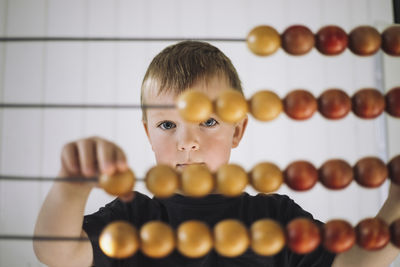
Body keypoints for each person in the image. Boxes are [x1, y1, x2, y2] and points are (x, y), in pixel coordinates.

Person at [33, 41, 400, 267]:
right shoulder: (132, 217)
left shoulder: (273, 217)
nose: (187, 141)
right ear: (147, 133)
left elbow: (355, 262)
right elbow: (56, 254)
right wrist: (71, 187)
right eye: (166, 125)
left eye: (208, 121)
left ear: (237, 130)